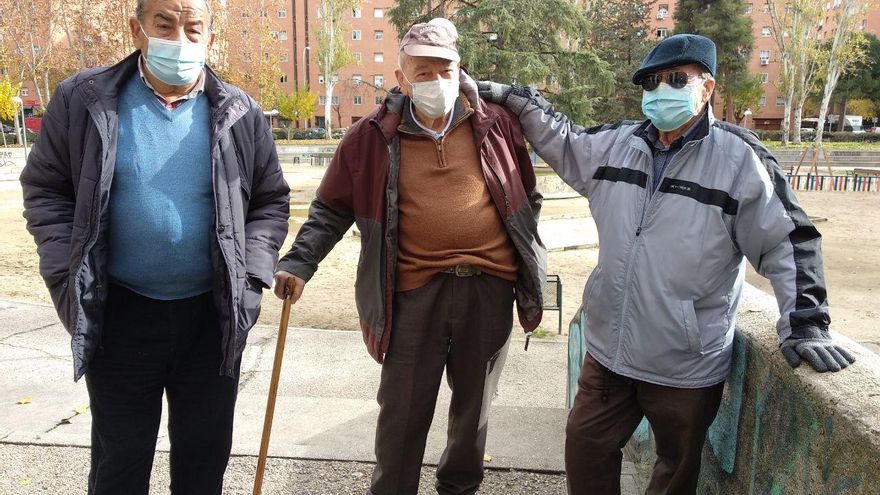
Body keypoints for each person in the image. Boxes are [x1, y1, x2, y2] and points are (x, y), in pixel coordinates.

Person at [478, 33, 855, 494]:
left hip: (686, 364)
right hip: (608, 353)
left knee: (674, 473)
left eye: (676, 79)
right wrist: (518, 100)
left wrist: (805, 322)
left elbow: (786, 240)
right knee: (585, 449)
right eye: (651, 83)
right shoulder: (617, 145)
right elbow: (564, 139)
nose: (661, 92)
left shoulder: (739, 159)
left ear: (708, 87)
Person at [19, 0, 290, 492]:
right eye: (165, 24)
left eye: (193, 27)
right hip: (119, 311)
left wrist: (250, 280)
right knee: (120, 462)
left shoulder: (240, 111)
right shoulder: (83, 100)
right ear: (137, 29)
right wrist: (64, 273)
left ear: (210, 35)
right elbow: (45, 189)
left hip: (212, 316)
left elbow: (270, 202)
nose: (180, 40)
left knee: (203, 463)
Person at [273, 18, 546, 495]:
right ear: (400, 78)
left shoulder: (496, 124)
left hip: (488, 287)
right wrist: (299, 263)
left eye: (444, 69)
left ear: (460, 69)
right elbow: (330, 209)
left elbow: (525, 195)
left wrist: (523, 259)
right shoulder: (371, 137)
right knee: (402, 412)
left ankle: (458, 489)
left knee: (473, 414)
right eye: (422, 72)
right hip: (413, 293)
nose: (435, 80)